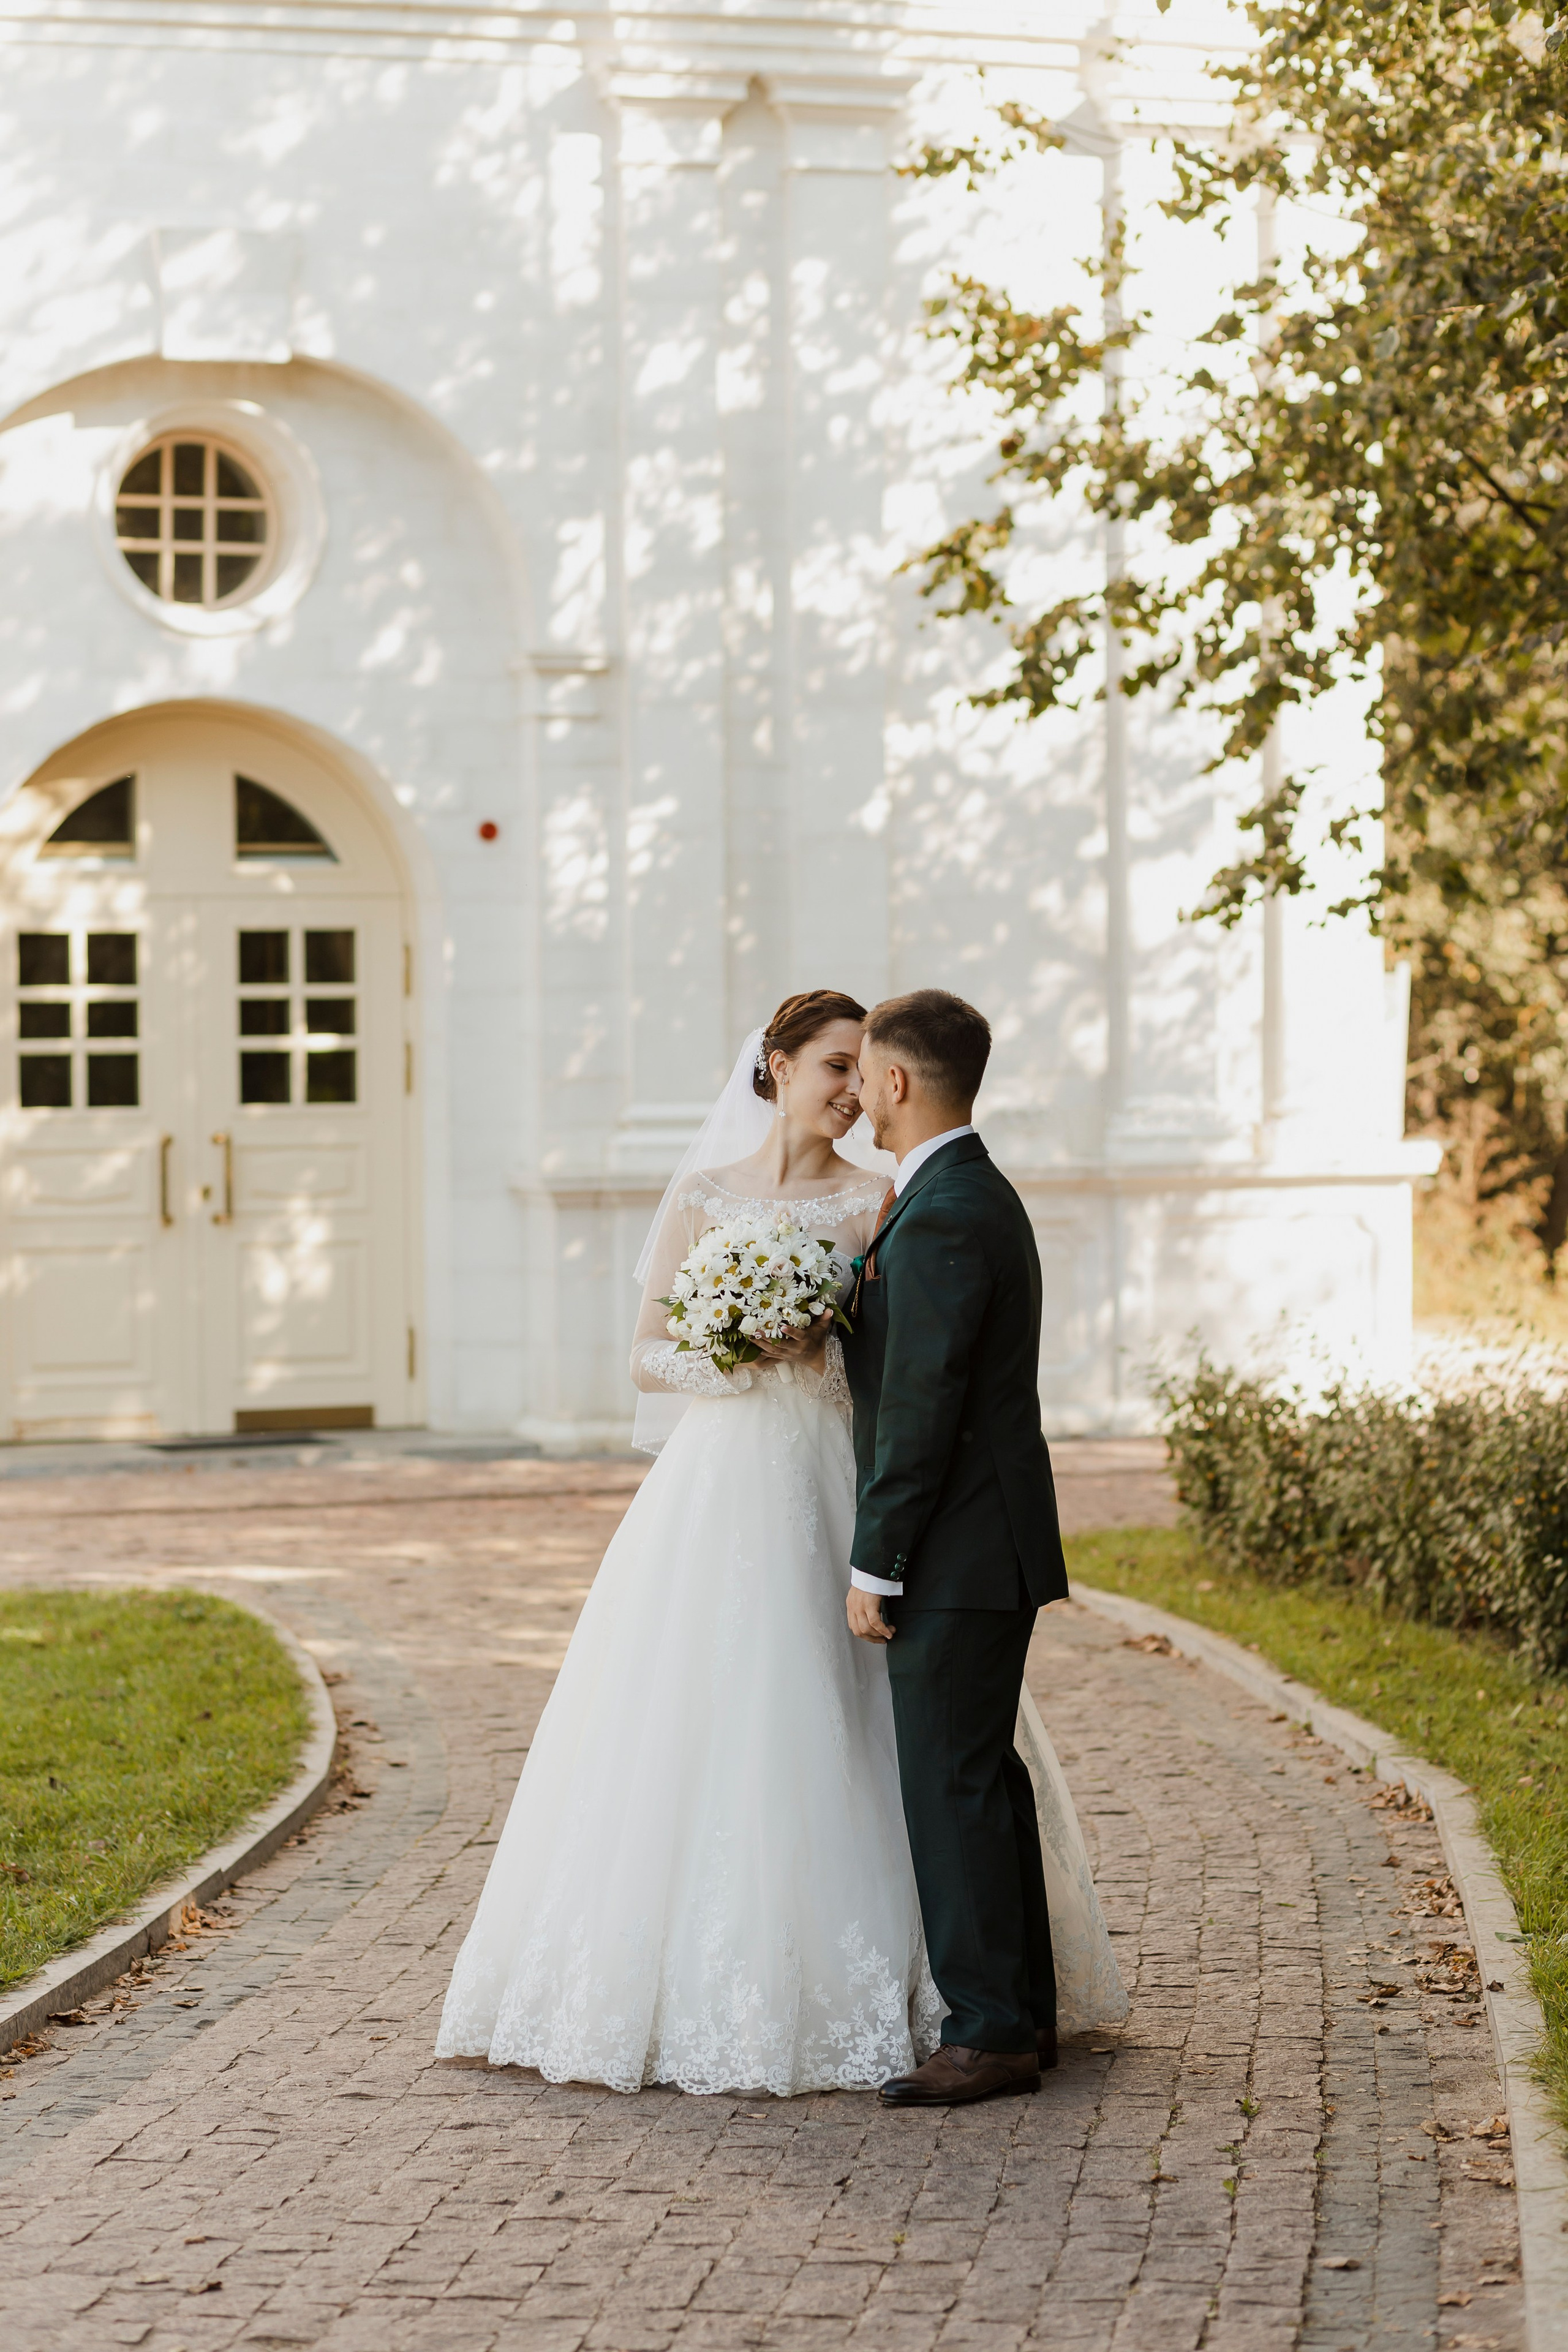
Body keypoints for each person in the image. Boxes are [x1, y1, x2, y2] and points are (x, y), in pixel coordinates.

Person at [435, 988, 1125, 2099]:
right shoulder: (707, 1197)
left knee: (914, 1744)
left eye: (866, 1071)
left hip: (844, 1486)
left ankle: (979, 2006)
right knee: (719, 1716)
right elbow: (647, 1354)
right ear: (778, 1063)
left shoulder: (882, 1201)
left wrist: (826, 1377)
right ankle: (965, 2005)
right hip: (725, 1482)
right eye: (834, 1068)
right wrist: (743, 1347)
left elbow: (908, 1376)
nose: (853, 1091)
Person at [843, 989, 1071, 2107]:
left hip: (958, 1553)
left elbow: (919, 1410)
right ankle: (1021, 2014)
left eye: (867, 1078)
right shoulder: (958, 1191)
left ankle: (985, 2032)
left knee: (951, 1783)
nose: (857, 1100)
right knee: (983, 1778)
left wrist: (875, 1561)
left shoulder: (942, 1210)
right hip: (987, 1545)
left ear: (897, 1081)